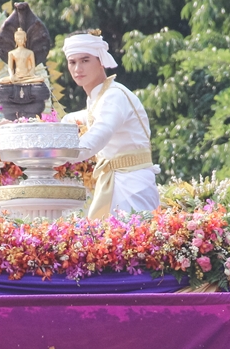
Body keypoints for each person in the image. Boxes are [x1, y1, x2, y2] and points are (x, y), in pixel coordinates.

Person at [60, 33, 159, 219]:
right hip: (115, 181)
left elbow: (96, 138)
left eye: (85, 60)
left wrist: (54, 155)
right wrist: (61, 123)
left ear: (101, 61)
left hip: (131, 183)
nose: (77, 68)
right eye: (72, 62)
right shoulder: (99, 98)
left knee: (134, 242)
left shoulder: (114, 96)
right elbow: (85, 116)